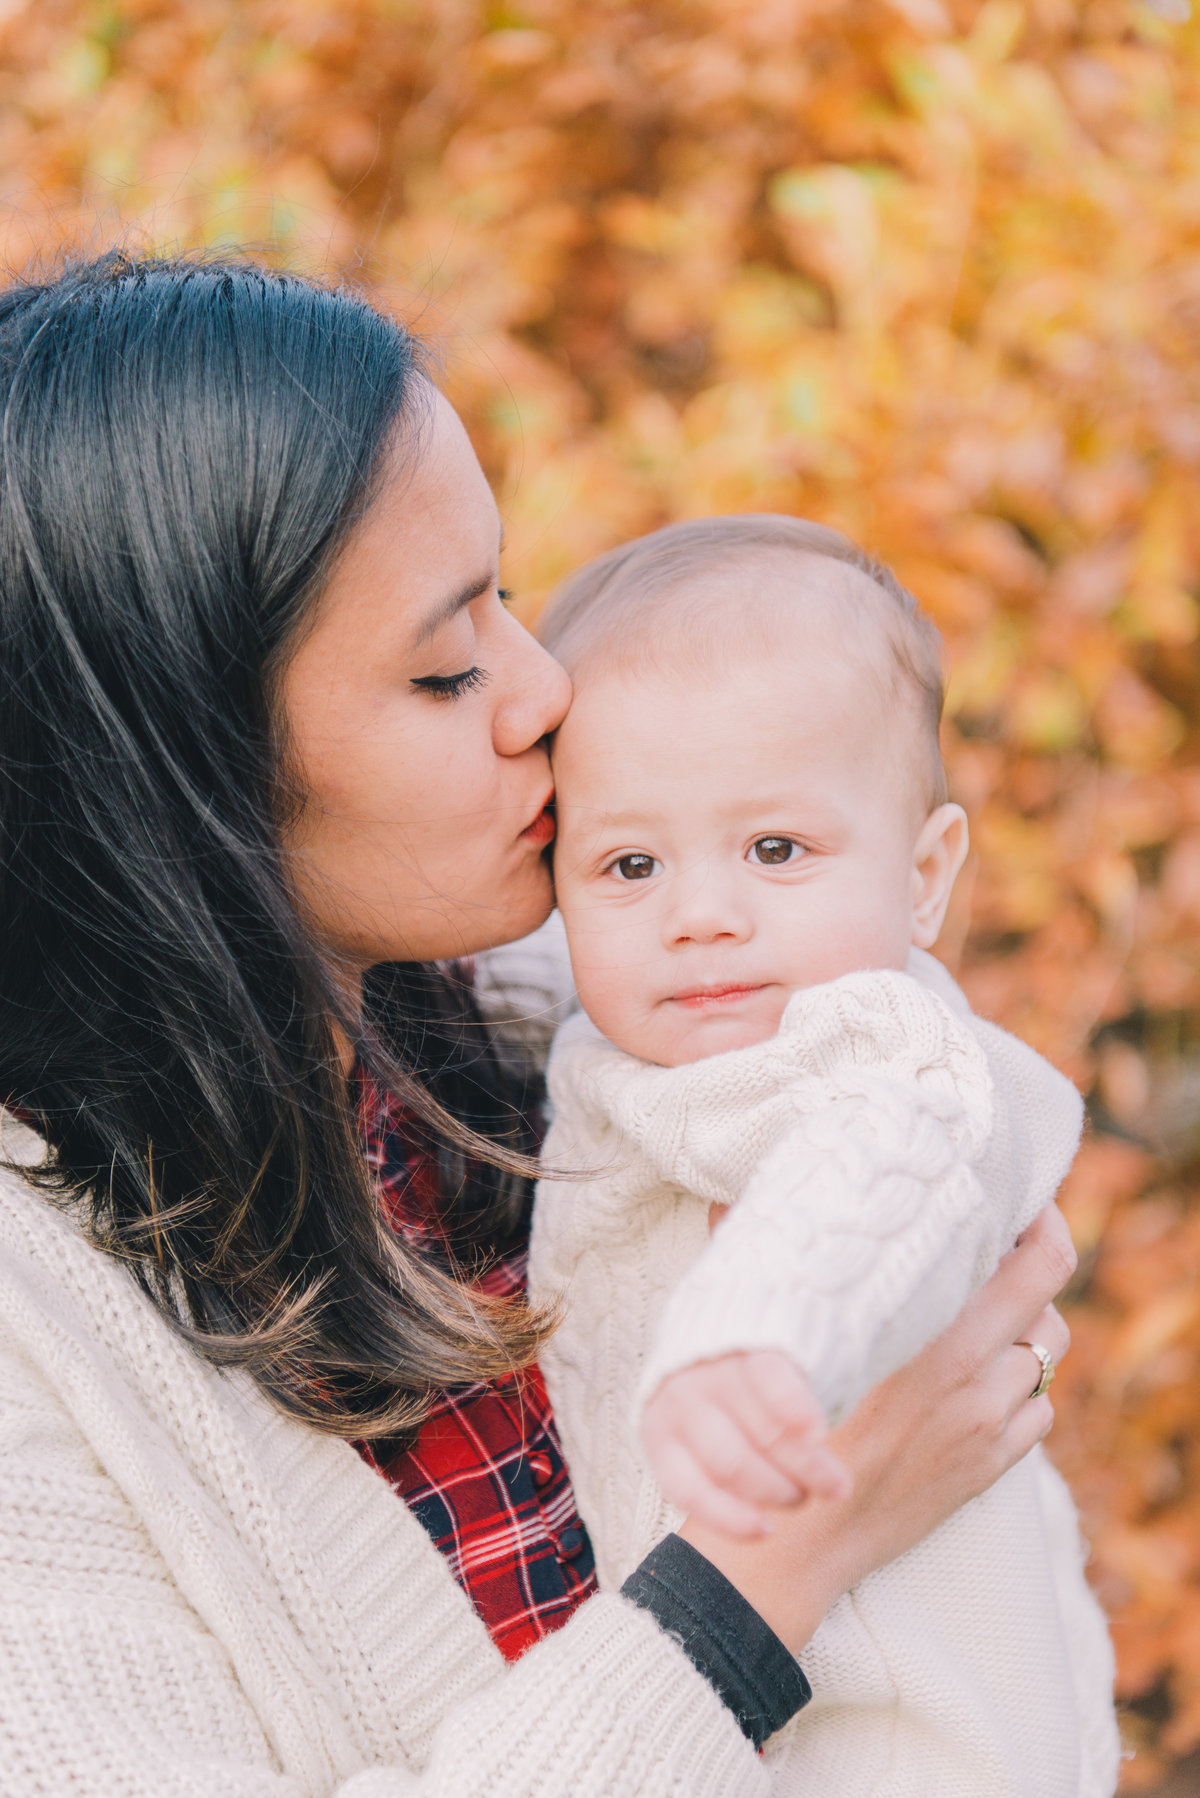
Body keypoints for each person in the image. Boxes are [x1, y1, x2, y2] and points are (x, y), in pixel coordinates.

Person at [0, 252, 1077, 1797]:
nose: (542, 685)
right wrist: (755, 1581)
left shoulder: (558, 1016)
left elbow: (921, 1119)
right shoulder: (38, 1341)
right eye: (446, 669)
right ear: (180, 778)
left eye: (505, 596)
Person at [531, 515, 1120, 1796]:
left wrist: (759, 1338)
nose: (701, 915)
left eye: (776, 850)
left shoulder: (880, 1045)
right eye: (630, 863)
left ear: (924, 876)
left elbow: (873, 1173)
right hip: (733, 1707)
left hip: (919, 1745)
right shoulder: (611, 1054)